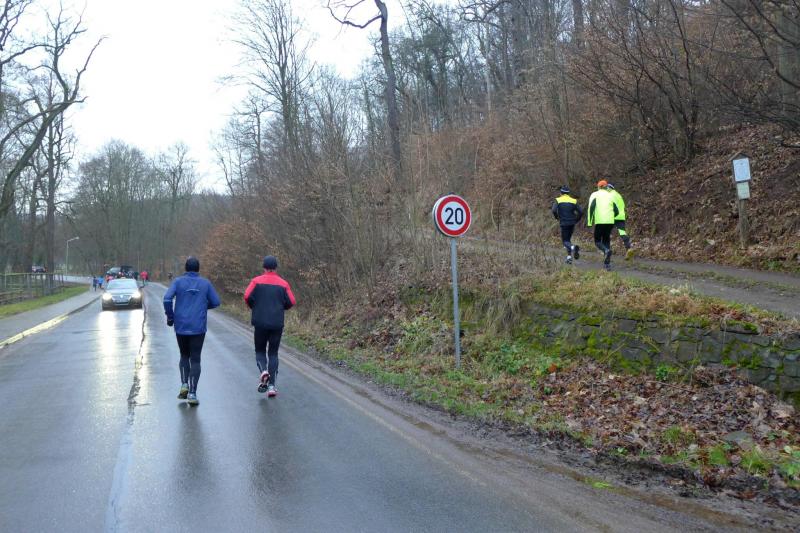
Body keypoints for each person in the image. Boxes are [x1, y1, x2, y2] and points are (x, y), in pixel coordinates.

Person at [163, 256, 221, 406]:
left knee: (184, 355)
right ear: (198, 269)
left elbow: (167, 299)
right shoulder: (205, 283)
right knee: (195, 359)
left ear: (185, 268)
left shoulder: (177, 282)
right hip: (198, 326)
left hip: (181, 325)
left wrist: (170, 316)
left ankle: (184, 384)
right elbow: (216, 302)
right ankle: (192, 394)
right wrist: (203, 306)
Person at [243, 255, 296, 398]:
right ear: (276, 267)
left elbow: (247, 296)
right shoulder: (284, 284)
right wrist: (282, 307)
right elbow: (292, 301)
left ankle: (263, 371)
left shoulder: (256, 281)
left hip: (260, 322)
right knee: (273, 353)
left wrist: (253, 306)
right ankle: (272, 386)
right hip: (276, 323)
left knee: (260, 351)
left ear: (264, 267)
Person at [587, 180, 619, 270]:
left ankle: (606, 251)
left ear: (598, 187)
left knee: (597, 241)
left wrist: (589, 222)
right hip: (610, 222)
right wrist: (612, 217)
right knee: (606, 240)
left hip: (600, 221)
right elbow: (616, 211)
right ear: (606, 187)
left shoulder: (594, 195)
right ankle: (607, 264)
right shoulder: (611, 195)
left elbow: (591, 208)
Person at [551, 185, 584, 264]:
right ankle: (569, 257)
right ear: (568, 193)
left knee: (565, 241)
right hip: (572, 223)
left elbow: (554, 210)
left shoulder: (558, 200)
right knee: (568, 240)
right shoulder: (573, 200)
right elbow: (581, 212)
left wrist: (557, 217)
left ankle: (573, 248)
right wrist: (576, 220)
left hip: (564, 223)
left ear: (561, 193)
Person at [606, 183, 633, 260]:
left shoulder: (610, 195)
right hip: (621, 217)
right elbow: (623, 206)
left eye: (607, 188)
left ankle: (606, 250)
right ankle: (628, 248)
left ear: (609, 188)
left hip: (612, 217)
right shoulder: (618, 195)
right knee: (622, 232)